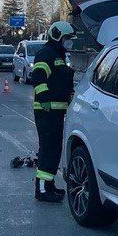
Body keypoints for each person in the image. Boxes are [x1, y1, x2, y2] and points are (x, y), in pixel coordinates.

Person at [28, 21, 76, 202]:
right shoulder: (46, 54)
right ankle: (41, 190)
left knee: (54, 149)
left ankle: (49, 185)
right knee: (48, 150)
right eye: (67, 38)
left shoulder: (59, 55)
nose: (69, 42)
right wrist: (45, 100)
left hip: (57, 111)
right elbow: (38, 78)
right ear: (57, 36)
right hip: (46, 111)